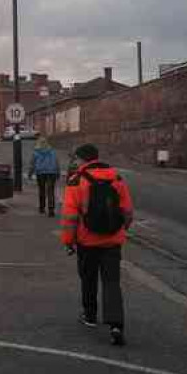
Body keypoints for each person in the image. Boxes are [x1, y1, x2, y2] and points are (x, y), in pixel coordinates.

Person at [59, 143, 134, 346]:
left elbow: (70, 217)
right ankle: (116, 325)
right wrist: (121, 230)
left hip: (87, 240)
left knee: (88, 278)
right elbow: (127, 211)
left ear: (83, 159)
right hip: (112, 241)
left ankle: (90, 315)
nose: (74, 162)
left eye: (76, 159)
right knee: (111, 282)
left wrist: (68, 241)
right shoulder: (117, 178)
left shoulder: (76, 181)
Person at [28, 136, 60, 216]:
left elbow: (32, 164)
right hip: (52, 172)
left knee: (42, 190)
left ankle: (42, 208)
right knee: (50, 191)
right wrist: (58, 172)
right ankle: (51, 210)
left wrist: (30, 174)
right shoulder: (52, 151)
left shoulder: (35, 152)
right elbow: (56, 162)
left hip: (40, 173)